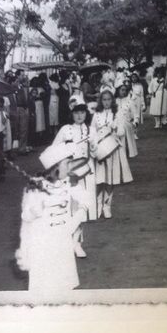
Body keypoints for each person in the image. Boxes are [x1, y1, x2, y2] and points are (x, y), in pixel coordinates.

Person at [15, 142, 88, 297]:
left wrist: (81, 210)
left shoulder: (68, 185)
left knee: (64, 288)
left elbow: (74, 216)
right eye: (67, 163)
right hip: (43, 247)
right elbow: (25, 216)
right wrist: (35, 209)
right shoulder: (36, 186)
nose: (70, 167)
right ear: (55, 167)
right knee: (44, 290)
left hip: (62, 245)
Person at [52, 103, 97, 258]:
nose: (79, 116)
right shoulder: (65, 130)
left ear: (86, 114)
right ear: (71, 114)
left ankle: (77, 243)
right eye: (76, 112)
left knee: (82, 209)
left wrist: (93, 146)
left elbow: (95, 152)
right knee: (70, 209)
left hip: (87, 173)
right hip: (70, 174)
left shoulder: (91, 130)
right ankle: (69, 243)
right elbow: (54, 150)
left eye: (82, 113)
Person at [92, 90, 133, 219]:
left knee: (110, 179)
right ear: (100, 101)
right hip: (100, 150)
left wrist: (115, 128)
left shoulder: (117, 113)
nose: (106, 102)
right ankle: (98, 206)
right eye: (104, 100)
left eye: (109, 99)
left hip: (113, 150)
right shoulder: (96, 114)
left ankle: (107, 206)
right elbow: (92, 131)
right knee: (99, 179)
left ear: (112, 100)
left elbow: (122, 132)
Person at [116, 85, 139, 158]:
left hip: (127, 124)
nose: (124, 92)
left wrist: (135, 122)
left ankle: (126, 152)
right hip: (115, 124)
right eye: (122, 90)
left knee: (124, 127)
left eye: (125, 90)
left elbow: (135, 114)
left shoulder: (130, 101)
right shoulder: (114, 101)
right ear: (118, 90)